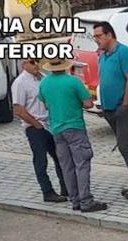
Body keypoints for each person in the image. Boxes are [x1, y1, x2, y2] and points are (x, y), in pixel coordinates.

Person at [39, 56, 107, 213]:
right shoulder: (73, 81)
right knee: (82, 164)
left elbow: (44, 103)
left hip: (56, 129)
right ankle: (86, 200)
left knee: (67, 166)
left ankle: (75, 200)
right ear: (65, 65)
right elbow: (88, 103)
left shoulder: (44, 83)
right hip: (75, 126)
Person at [93, 21, 128, 199]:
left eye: (98, 36)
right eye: (95, 36)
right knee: (127, 146)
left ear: (109, 34)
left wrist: (125, 105)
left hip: (126, 108)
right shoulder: (103, 55)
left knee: (125, 146)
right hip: (110, 109)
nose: (96, 40)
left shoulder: (123, 52)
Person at [10, 58, 68, 203]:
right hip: (34, 126)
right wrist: (35, 124)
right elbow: (18, 109)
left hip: (51, 123)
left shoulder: (44, 77)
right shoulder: (20, 82)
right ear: (23, 64)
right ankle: (47, 192)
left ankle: (66, 187)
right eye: (31, 62)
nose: (36, 64)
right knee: (41, 160)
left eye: (37, 61)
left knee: (60, 157)